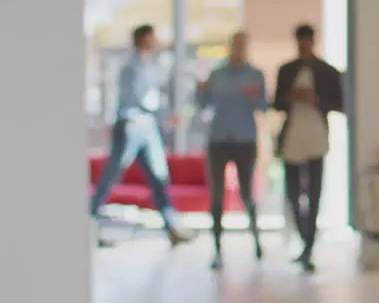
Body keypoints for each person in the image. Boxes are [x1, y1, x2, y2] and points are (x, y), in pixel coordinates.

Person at [90, 24, 196, 248]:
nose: (156, 40)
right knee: (111, 177)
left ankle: (172, 226)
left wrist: (164, 116)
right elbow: (137, 98)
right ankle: (87, 224)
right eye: (153, 37)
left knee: (159, 177)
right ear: (144, 38)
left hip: (148, 126)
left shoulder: (150, 64)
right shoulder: (131, 65)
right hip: (132, 125)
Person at [272, 24, 344, 273]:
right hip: (292, 136)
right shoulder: (287, 71)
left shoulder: (327, 72)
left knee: (314, 193)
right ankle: (304, 237)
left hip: (316, 135)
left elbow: (341, 103)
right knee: (293, 193)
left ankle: (309, 246)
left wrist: (317, 100)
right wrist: (292, 97)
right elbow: (276, 103)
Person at [196, 31, 268, 270]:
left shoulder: (255, 75)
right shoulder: (218, 74)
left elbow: (263, 107)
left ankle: (257, 241)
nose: (238, 48)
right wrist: (201, 89)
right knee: (217, 196)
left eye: (242, 45)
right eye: (235, 44)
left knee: (247, 193)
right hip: (219, 139)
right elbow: (203, 104)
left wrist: (255, 97)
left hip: (244, 139)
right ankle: (217, 250)